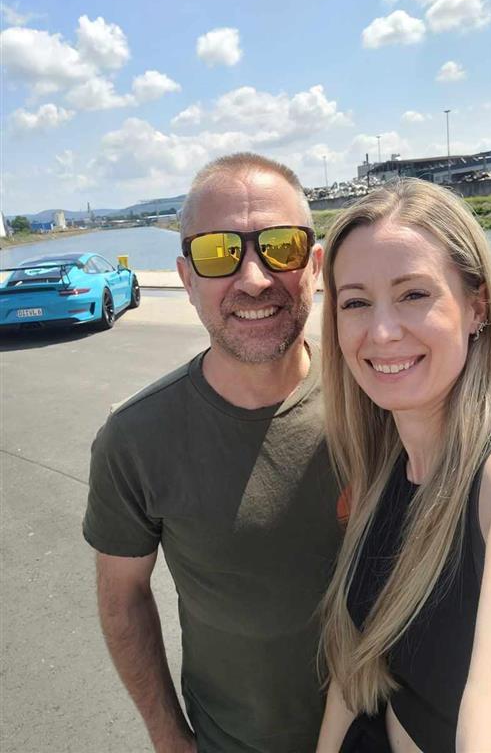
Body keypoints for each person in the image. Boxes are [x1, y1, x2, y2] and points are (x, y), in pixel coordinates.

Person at [316, 179, 491, 752]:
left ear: (476, 308)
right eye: (356, 302)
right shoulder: (386, 472)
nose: (382, 331)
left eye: (414, 294)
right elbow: (355, 674)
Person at [83, 153, 342, 753]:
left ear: (314, 265)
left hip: (391, 733)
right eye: (219, 252)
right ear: (186, 277)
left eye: (280, 247)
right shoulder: (135, 438)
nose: (253, 278)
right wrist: (169, 738)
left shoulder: (378, 400)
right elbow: (122, 598)